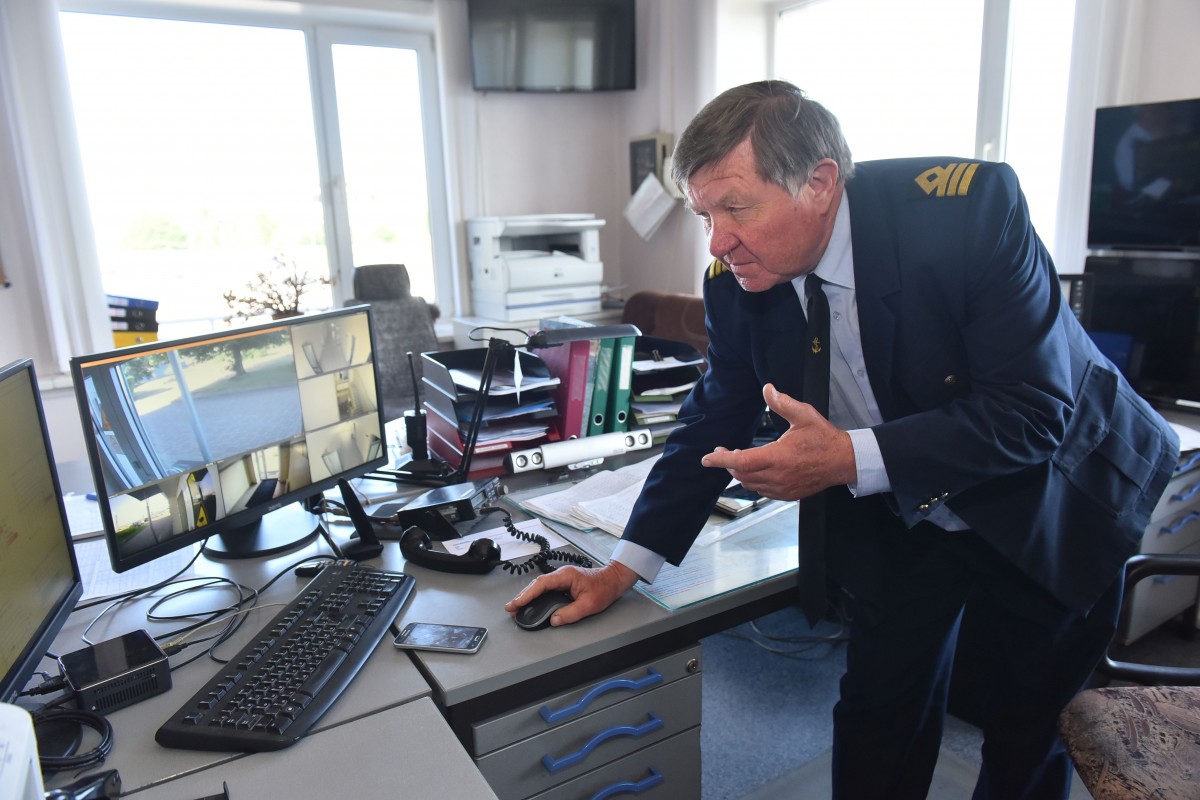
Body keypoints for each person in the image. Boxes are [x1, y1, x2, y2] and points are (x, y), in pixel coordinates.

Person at [505, 80, 1179, 799]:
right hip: (906, 506)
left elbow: (1031, 411)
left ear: (820, 183)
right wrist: (622, 568)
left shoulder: (969, 215)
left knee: (1026, 731)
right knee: (878, 714)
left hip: (1054, 490)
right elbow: (711, 418)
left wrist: (848, 457)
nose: (717, 241)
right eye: (704, 214)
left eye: (736, 207)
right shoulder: (735, 280)